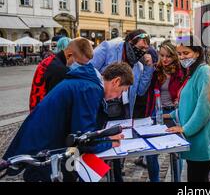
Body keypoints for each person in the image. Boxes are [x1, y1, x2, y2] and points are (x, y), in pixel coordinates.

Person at [2, 62, 133, 182]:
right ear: (116, 81)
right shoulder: (90, 89)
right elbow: (83, 138)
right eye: (121, 91)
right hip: (45, 151)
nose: (118, 97)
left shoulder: (87, 83)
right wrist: (109, 142)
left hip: (46, 146)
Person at [90, 29, 155, 182]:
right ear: (129, 42)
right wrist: (108, 84)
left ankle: (117, 176)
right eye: (140, 47)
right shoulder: (108, 48)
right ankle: (96, 175)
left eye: (145, 49)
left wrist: (148, 68)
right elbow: (89, 68)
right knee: (99, 144)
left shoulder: (138, 66)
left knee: (118, 145)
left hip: (123, 109)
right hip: (102, 106)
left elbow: (141, 90)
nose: (142, 51)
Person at [166, 35, 210, 182]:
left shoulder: (204, 72)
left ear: (197, 53)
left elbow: (204, 108)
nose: (182, 57)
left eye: (186, 53)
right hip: (193, 141)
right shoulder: (191, 72)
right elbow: (188, 104)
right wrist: (170, 115)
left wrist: (185, 129)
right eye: (179, 54)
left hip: (201, 142)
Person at [139, 40, 185, 182]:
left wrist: (179, 99)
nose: (164, 59)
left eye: (168, 56)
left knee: (176, 151)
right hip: (157, 112)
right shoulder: (155, 70)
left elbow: (185, 91)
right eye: (162, 55)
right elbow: (145, 91)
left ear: (174, 56)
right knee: (151, 152)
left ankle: (177, 180)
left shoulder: (181, 71)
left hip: (174, 112)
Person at [29, 38, 94, 112]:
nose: (82, 67)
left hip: (36, 113)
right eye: (80, 64)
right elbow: (59, 107)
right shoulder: (60, 71)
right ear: (69, 55)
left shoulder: (51, 60)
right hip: (43, 117)